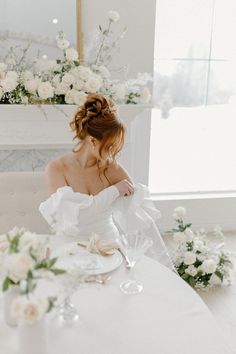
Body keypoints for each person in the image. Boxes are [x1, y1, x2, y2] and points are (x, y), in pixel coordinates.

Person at [39, 93, 175, 272]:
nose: (113, 154)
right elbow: (77, 218)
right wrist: (113, 191)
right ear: (92, 141)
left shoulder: (113, 168)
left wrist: (162, 262)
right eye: (110, 147)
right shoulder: (57, 168)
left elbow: (138, 217)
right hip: (69, 247)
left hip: (108, 245)